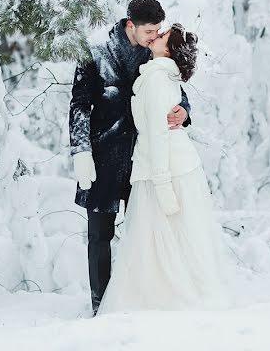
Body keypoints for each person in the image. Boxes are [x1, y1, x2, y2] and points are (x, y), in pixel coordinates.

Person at [69, 0, 192, 316]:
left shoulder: (154, 52)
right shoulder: (95, 51)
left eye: (158, 31)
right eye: (149, 31)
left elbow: (174, 86)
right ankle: (101, 306)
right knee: (99, 234)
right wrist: (81, 151)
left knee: (148, 231)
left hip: (145, 157)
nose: (154, 37)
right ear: (130, 25)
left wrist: (184, 111)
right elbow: (79, 104)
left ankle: (144, 299)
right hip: (103, 156)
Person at [97, 24, 227, 314]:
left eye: (163, 34)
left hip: (164, 168)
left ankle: (163, 301)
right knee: (168, 239)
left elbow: (157, 135)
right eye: (156, 31)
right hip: (169, 164)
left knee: (157, 239)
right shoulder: (160, 72)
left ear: (169, 49)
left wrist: (162, 184)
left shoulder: (157, 77)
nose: (156, 36)